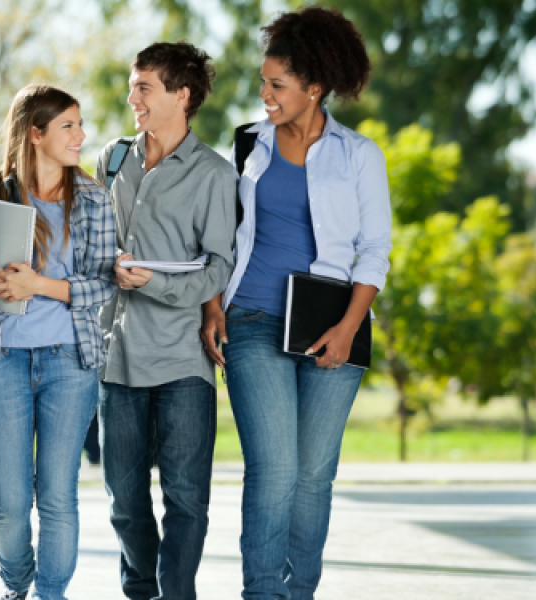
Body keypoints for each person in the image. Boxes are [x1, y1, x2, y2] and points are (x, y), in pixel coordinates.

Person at [200, 8, 392, 599]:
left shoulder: (359, 155)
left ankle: (298, 591)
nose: (264, 94)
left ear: (314, 88)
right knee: (275, 469)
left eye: (276, 84)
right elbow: (216, 234)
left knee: (313, 476)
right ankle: (261, 592)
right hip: (253, 318)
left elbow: (374, 250)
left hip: (334, 324)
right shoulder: (246, 146)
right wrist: (213, 306)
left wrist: (347, 327)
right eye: (263, 82)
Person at [97, 42, 237, 600]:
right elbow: (91, 237)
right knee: (125, 503)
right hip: (117, 355)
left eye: (144, 87)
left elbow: (218, 268)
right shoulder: (112, 158)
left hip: (182, 361)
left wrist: (153, 282)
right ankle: (141, 590)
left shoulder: (212, 175)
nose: (132, 97)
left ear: (181, 95)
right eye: (133, 86)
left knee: (184, 500)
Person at [0, 84, 117, 600]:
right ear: (36, 134)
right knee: (7, 501)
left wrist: (40, 286)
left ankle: (51, 594)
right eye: (68, 126)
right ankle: (17, 583)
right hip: (1, 357)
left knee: (57, 496)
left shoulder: (95, 198)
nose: (81, 136)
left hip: (70, 362)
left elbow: (104, 282)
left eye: (79, 124)